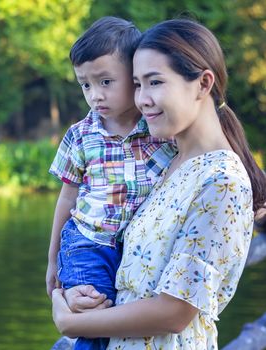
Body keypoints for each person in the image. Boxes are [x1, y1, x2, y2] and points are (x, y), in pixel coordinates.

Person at [51, 18, 266, 349]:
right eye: (137, 84)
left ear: (203, 83)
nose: (142, 99)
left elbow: (175, 312)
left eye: (154, 83)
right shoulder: (167, 164)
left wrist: (70, 320)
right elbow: (131, 271)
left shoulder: (220, 181)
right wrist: (74, 291)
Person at [46, 17, 176, 349]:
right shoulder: (81, 135)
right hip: (87, 243)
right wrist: (52, 260)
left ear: (134, 78)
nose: (95, 95)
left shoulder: (160, 132)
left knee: (129, 320)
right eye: (85, 85)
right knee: (95, 316)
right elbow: (66, 199)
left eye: (105, 81)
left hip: (134, 247)